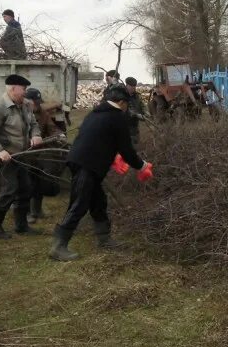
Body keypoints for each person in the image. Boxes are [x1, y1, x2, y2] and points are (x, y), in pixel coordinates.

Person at [49, 83, 153, 261]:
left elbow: (98, 139)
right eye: (126, 103)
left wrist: (111, 156)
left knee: (98, 201)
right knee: (80, 203)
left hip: (81, 160)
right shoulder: (117, 118)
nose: (127, 107)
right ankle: (58, 246)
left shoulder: (95, 113)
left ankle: (104, 239)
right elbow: (127, 150)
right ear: (121, 102)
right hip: (88, 164)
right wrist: (142, 165)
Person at [0, 74, 43, 239]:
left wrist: (35, 135)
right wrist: (0, 151)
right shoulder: (0, 107)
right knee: (10, 190)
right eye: (23, 89)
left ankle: (21, 226)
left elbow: (34, 124)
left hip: (21, 156)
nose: (25, 92)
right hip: (6, 158)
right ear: (13, 88)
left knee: (25, 188)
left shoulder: (25, 105)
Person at [23, 86, 68, 223]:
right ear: (27, 101)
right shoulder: (20, 113)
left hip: (39, 151)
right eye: (35, 102)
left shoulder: (42, 112)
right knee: (28, 182)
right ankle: (27, 213)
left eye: (38, 102)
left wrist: (59, 135)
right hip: (24, 152)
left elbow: (51, 127)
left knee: (39, 179)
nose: (37, 105)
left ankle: (37, 210)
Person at [124, 76, 145, 142]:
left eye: (134, 86)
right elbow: (124, 109)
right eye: (131, 86)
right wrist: (136, 114)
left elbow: (142, 105)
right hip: (124, 125)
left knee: (135, 143)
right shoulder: (122, 96)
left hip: (134, 126)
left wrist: (146, 112)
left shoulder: (137, 96)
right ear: (126, 85)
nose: (133, 88)